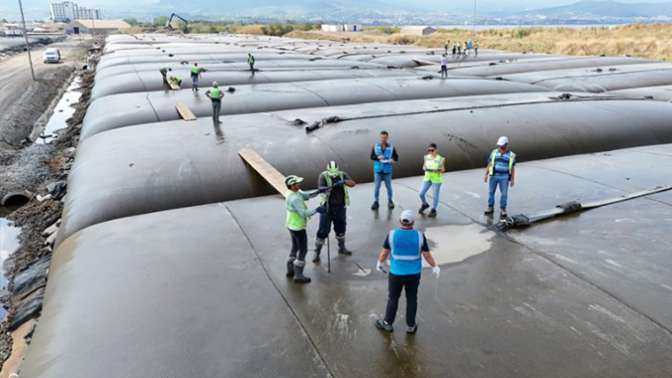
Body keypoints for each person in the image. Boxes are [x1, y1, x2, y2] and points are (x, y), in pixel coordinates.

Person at [375, 210, 440, 334]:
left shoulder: (392, 234)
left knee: (393, 298)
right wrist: (434, 266)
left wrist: (380, 263)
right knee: (411, 298)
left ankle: (388, 323)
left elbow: (384, 252)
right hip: (414, 274)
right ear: (413, 222)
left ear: (400, 221)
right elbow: (426, 255)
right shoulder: (420, 236)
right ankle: (411, 325)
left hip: (396, 273)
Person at [285, 175, 325, 284]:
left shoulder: (292, 192)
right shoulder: (295, 198)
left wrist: (318, 192)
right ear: (292, 185)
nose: (300, 184)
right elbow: (304, 213)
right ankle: (298, 275)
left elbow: (306, 195)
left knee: (295, 247)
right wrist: (318, 209)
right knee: (303, 250)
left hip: (290, 224)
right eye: (297, 183)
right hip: (298, 227)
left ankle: (290, 269)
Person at [313, 161, 357, 263]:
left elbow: (353, 183)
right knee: (323, 230)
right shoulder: (323, 176)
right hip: (327, 207)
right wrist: (327, 189)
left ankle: (342, 248)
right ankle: (317, 252)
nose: (334, 176)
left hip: (340, 207)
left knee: (341, 228)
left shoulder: (342, 174)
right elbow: (320, 188)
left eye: (335, 174)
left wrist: (344, 182)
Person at [484, 136, 516, 219]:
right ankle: (490, 207)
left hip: (504, 177)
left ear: (506, 144)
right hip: (494, 175)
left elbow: (512, 167)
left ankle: (503, 209)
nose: (500, 146)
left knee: (504, 194)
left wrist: (512, 179)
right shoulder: (494, 152)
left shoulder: (511, 155)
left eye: (502, 144)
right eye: (499, 144)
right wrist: (486, 174)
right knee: (491, 192)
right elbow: (490, 163)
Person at [370, 130, 399, 210]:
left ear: (387, 138)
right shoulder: (375, 146)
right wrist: (377, 157)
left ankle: (390, 201)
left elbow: (396, 157)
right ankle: (376, 202)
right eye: (382, 137)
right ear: (380, 137)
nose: (383, 139)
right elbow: (371, 157)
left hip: (387, 170)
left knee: (388, 187)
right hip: (378, 170)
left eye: (385, 137)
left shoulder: (391, 147)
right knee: (377, 187)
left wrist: (393, 160)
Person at [418, 143, 446, 217]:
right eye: (429, 150)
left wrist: (438, 170)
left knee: (435, 195)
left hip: (436, 179)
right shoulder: (426, 157)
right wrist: (424, 168)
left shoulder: (440, 159)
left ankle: (433, 209)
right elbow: (423, 166)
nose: (430, 152)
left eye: (432, 150)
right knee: (421, 193)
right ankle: (425, 204)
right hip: (427, 177)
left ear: (436, 150)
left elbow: (443, 170)